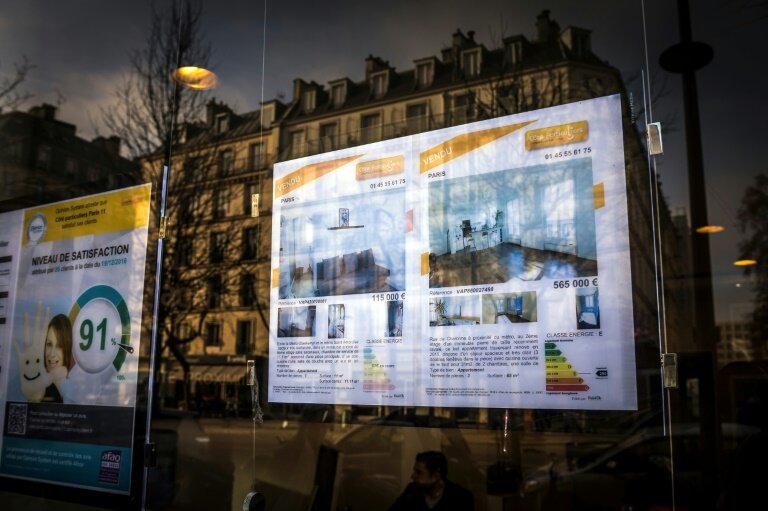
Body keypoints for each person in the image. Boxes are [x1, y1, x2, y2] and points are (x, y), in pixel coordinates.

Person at [389, 450, 474, 511]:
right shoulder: (412, 491)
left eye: (419, 472)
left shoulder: (461, 498)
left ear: (436, 476)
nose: (413, 476)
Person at [42, 314, 73, 403]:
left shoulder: (73, 388)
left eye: (59, 346)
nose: (52, 354)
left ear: (67, 348)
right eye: (49, 344)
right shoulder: (41, 391)